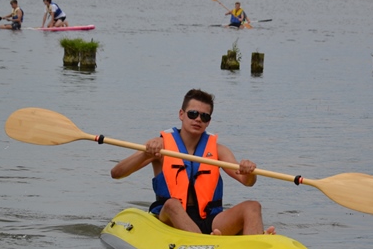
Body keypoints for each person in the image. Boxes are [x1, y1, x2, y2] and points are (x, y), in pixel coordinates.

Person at [111, 89, 275, 236]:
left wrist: (249, 172)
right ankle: (205, 244)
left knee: (252, 206)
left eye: (204, 116)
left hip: (209, 219)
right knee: (172, 204)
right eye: (193, 114)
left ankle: (256, 248)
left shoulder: (218, 150)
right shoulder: (160, 146)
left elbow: (247, 182)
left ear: (208, 121)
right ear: (181, 114)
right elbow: (116, 173)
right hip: (170, 218)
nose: (198, 119)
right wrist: (145, 154)